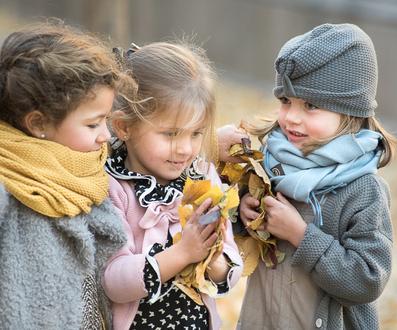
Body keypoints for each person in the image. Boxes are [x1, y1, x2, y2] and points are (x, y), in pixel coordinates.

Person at [236, 23, 397, 329]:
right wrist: (242, 214)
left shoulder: (363, 189)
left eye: (311, 105)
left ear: (349, 113)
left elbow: (367, 280)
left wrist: (300, 235)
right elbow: (238, 249)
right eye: (286, 101)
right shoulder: (268, 164)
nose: (292, 118)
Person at [103, 41, 243, 330]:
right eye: (170, 134)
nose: (184, 149)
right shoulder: (114, 188)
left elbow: (229, 257)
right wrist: (181, 254)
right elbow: (114, 281)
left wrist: (216, 263)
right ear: (124, 127)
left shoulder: (202, 176)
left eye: (196, 134)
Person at [0, 21, 131, 329]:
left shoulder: (83, 170)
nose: (106, 136)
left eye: (106, 122)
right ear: (38, 124)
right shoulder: (12, 182)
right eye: (93, 124)